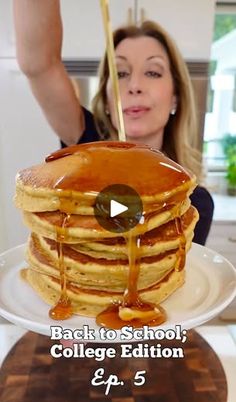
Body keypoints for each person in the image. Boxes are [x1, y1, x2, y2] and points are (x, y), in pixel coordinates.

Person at [13, 0, 214, 245]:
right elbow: (39, 64)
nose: (135, 86)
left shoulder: (193, 200)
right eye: (120, 73)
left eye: (152, 72)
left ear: (175, 97)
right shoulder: (86, 144)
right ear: (106, 100)